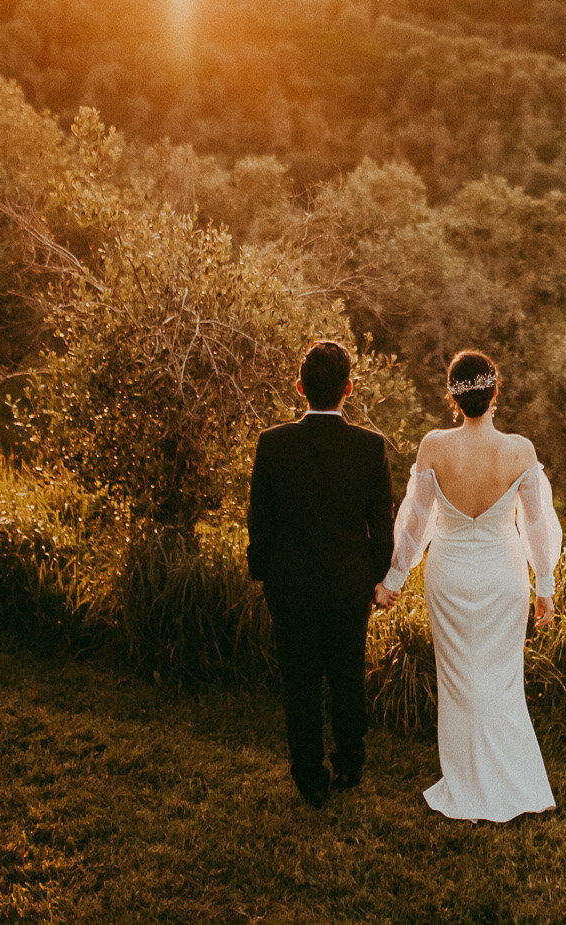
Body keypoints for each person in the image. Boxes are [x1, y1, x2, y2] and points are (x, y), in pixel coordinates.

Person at [377, 349, 562, 821]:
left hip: (450, 573)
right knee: (502, 680)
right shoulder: (520, 450)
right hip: (504, 573)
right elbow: (537, 525)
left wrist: (395, 577)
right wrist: (545, 585)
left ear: (452, 397)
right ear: (495, 392)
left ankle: (467, 781)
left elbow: (416, 521)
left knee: (458, 680)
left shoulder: (434, 445)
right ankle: (510, 781)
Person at [247, 340, 394, 811]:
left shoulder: (273, 443)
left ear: (299, 387)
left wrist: (261, 570)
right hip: (350, 584)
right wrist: (377, 577)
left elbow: (260, 518)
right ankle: (350, 762)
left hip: (289, 584)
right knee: (348, 675)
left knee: (301, 683)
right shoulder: (370, 447)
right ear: (348, 389)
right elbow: (381, 522)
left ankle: (309, 776)